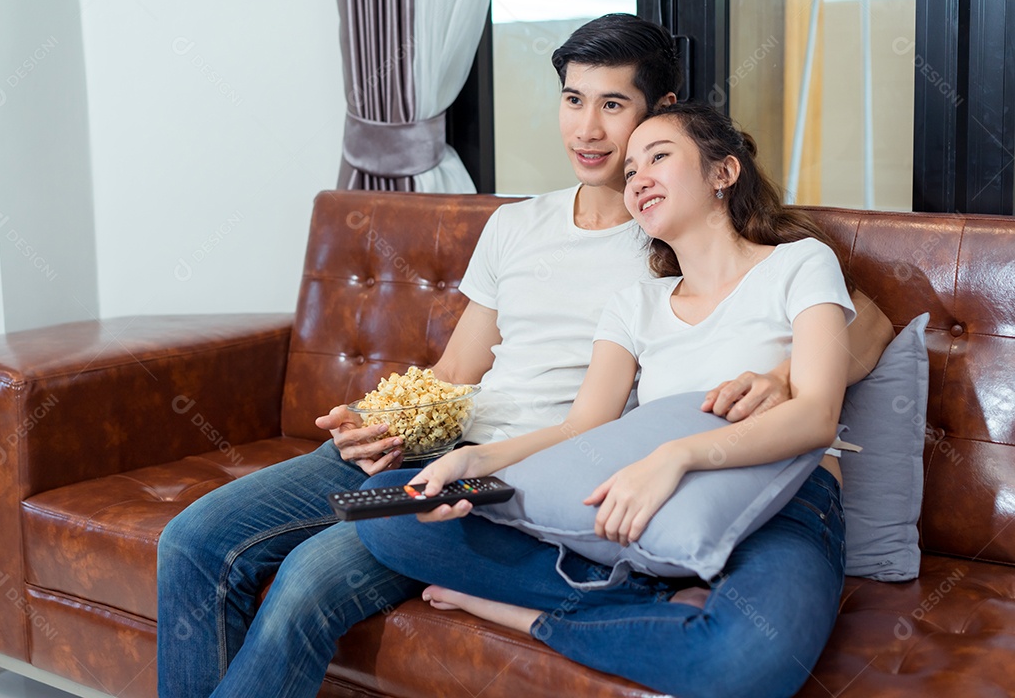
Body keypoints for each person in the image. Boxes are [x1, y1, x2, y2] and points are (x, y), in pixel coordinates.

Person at [156, 15, 890, 697]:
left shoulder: (679, 238)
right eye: (574, 101)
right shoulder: (523, 228)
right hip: (448, 445)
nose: (590, 130)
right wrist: (380, 422)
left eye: (614, 107)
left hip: (540, 470)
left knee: (303, 587)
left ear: (662, 111)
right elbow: (454, 374)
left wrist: (781, 377)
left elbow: (866, 325)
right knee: (192, 540)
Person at [357, 102, 864, 698]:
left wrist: (677, 455)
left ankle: (536, 615)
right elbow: (582, 427)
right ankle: (649, 594)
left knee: (745, 663)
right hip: (645, 516)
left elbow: (814, 413)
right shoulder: (635, 304)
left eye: (659, 157)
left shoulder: (800, 264)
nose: (638, 177)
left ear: (724, 172)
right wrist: (479, 462)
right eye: (629, 171)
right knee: (387, 510)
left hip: (785, 505)